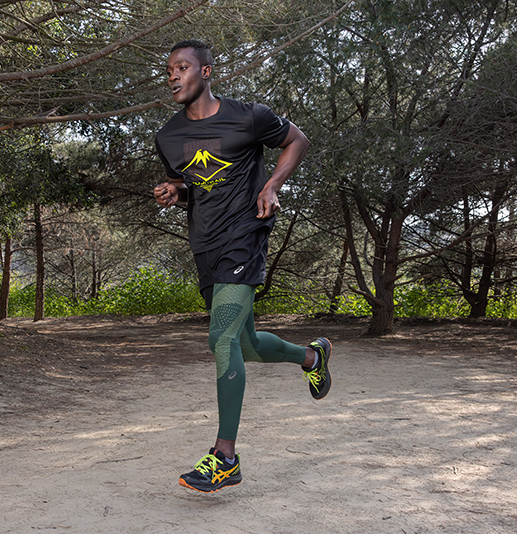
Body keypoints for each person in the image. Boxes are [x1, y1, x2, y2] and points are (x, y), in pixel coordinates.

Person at [153, 39, 332, 494]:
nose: (173, 75)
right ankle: (312, 356)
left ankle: (225, 456)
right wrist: (177, 193)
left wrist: (272, 184)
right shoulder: (168, 136)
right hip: (205, 246)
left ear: (206, 72)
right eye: (169, 70)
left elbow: (298, 140)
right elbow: (194, 184)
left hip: (244, 237)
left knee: (221, 338)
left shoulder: (249, 116)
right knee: (246, 345)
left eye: (182, 67)